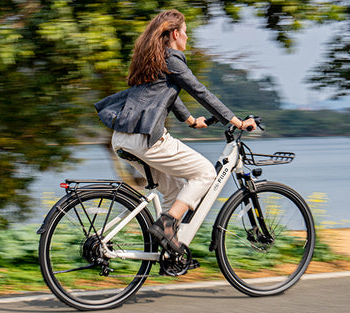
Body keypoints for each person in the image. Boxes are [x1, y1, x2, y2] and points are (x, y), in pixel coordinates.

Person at [95, 9, 256, 255]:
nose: (187, 38)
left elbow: (165, 94)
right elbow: (199, 91)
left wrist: (191, 120)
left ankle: (170, 251)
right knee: (204, 173)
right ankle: (166, 226)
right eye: (186, 33)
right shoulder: (172, 58)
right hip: (146, 138)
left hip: (121, 138)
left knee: (174, 192)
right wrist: (236, 121)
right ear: (175, 33)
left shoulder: (153, 59)